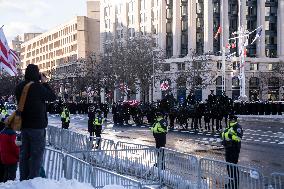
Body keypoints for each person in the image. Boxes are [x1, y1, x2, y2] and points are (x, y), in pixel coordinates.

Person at [15, 64, 56, 181]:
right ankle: (33, 180)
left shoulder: (19, 86)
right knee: (36, 155)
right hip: (37, 127)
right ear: (36, 74)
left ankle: (23, 179)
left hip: (24, 126)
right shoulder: (38, 87)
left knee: (24, 154)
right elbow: (52, 97)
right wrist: (44, 83)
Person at [221, 115, 243, 189]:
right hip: (228, 148)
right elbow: (224, 136)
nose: (231, 120)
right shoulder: (228, 128)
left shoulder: (237, 127)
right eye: (230, 119)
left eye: (232, 119)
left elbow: (239, 138)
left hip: (234, 149)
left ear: (235, 120)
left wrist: (231, 137)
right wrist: (223, 139)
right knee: (229, 167)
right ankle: (231, 182)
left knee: (233, 167)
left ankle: (235, 184)